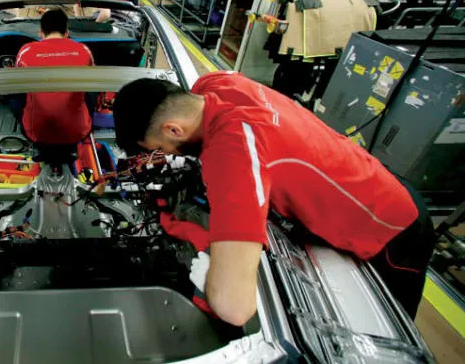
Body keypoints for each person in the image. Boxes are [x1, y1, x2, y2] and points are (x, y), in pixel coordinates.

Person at [112, 72, 435, 325]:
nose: (167, 155)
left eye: (160, 148)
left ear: (173, 130)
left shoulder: (233, 155)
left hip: (391, 229)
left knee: (393, 328)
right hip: (372, 177)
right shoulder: (216, 84)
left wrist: (209, 280)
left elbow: (234, 308)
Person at [15, 9, 94, 149]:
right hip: (77, 131)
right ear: (66, 33)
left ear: (41, 33)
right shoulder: (83, 50)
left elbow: (16, 86)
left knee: (14, 95)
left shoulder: (25, 51)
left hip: (36, 132)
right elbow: (94, 84)